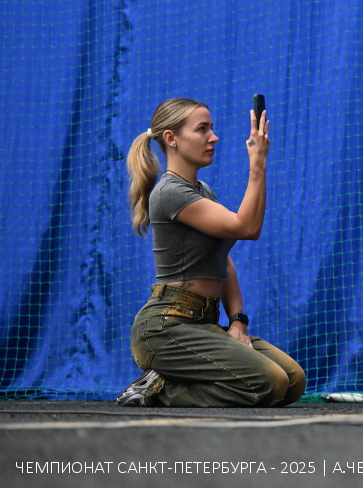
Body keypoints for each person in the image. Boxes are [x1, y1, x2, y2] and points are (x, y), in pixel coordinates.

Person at [118, 97, 304, 407]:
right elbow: (247, 228)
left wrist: (238, 321)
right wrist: (257, 162)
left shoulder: (203, 191)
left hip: (203, 322)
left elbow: (222, 259)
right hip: (166, 327)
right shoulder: (170, 192)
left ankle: (176, 379)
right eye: (202, 129)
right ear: (171, 139)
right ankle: (159, 388)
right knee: (271, 382)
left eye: (211, 128)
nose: (214, 137)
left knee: (292, 380)